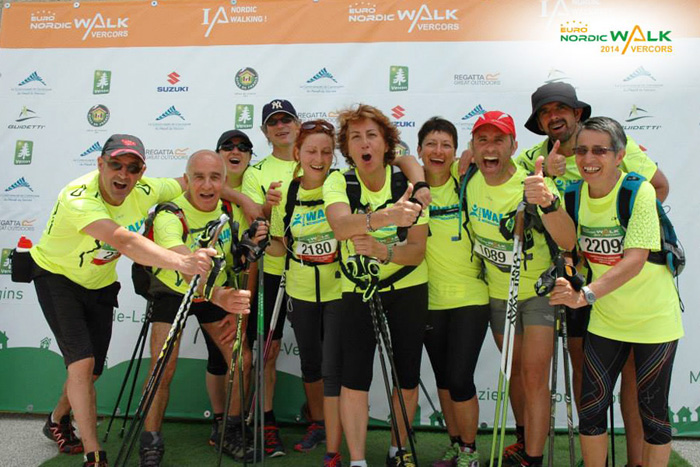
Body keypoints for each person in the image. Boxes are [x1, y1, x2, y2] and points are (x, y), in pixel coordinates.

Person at [30, 134, 215, 467]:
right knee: (82, 365)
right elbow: (123, 240)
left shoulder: (145, 190)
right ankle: (94, 455)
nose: (123, 175)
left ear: (141, 172)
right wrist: (182, 262)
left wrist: (240, 198)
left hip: (99, 285)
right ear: (100, 164)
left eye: (133, 168)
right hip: (57, 279)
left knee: (93, 370)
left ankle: (57, 418)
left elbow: (191, 182)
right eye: (115, 165)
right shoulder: (77, 198)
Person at [516, 82, 670, 466]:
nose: (554, 116)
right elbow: (556, 231)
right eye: (545, 111)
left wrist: (631, 221)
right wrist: (547, 193)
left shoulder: (623, 157)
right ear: (538, 121)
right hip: (584, 288)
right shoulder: (534, 157)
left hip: (633, 296)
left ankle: (636, 460)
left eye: (561, 108)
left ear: (578, 112)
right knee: (590, 391)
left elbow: (656, 192)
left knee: (643, 396)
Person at [549, 116, 682, 467]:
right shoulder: (573, 193)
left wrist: (586, 294)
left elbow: (635, 260)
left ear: (620, 155)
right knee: (591, 409)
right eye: (581, 150)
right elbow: (573, 251)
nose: (588, 158)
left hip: (654, 320)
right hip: (607, 319)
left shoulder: (639, 190)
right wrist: (569, 274)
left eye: (599, 150)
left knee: (652, 414)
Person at [466, 111, 576, 467]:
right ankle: (522, 436)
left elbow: (568, 239)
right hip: (499, 294)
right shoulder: (468, 178)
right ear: (473, 148)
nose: (490, 148)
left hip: (537, 295)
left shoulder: (532, 183)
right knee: (512, 370)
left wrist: (545, 200)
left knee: (533, 375)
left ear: (514, 146)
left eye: (499, 140)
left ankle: (533, 456)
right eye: (482, 140)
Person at [138, 150, 261, 466]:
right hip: (173, 291)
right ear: (187, 179)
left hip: (213, 291)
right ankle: (150, 440)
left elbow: (233, 261)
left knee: (241, 357)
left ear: (223, 181)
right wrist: (218, 294)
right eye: (199, 177)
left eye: (215, 177)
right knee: (163, 366)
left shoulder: (228, 214)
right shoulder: (170, 213)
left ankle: (229, 431)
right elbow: (183, 261)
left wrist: (246, 250)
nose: (207, 185)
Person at [324, 104, 428, 467]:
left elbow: (416, 252)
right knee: (354, 378)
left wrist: (385, 251)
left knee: (408, 375)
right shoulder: (339, 181)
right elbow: (340, 227)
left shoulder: (409, 183)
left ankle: (398, 449)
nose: (364, 144)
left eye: (371, 136)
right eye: (355, 138)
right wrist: (385, 217)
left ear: (387, 145)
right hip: (358, 290)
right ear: (347, 149)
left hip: (407, 287)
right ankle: (357, 461)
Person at [266, 119, 343, 466]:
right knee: (311, 362)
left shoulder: (341, 185)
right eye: (312, 150)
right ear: (297, 153)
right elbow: (280, 246)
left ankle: (340, 427)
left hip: (339, 288)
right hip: (300, 287)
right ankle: (319, 423)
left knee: (336, 363)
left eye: (326, 151)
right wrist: (257, 239)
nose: (319, 158)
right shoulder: (289, 194)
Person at [416, 117, 490, 467]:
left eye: (446, 144)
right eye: (431, 144)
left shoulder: (468, 178)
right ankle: (456, 444)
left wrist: (473, 155)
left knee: (461, 378)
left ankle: (471, 451)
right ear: (420, 150)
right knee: (444, 380)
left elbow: (496, 164)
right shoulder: (408, 188)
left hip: (470, 299)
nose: (438, 151)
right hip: (429, 300)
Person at [240, 98, 301, 456]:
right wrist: (268, 205)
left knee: (320, 351)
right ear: (265, 131)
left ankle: (321, 422)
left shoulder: (315, 159)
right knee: (267, 351)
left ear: (297, 124)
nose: (281, 126)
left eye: (286, 120)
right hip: (272, 269)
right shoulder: (256, 172)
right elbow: (255, 218)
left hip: (315, 267)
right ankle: (266, 423)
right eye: (273, 122)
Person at [201, 130, 256, 453]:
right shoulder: (206, 188)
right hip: (205, 287)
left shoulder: (254, 186)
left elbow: (253, 258)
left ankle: (231, 424)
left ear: (250, 157)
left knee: (236, 355)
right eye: (228, 147)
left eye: (243, 148)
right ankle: (223, 423)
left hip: (239, 286)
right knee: (226, 356)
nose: (235, 151)